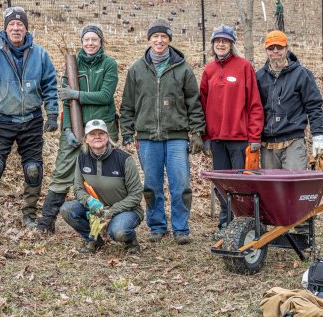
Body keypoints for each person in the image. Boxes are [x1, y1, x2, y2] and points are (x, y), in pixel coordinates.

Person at [0, 6, 59, 235]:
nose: (16, 28)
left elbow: (50, 85)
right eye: (11, 24)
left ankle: (29, 215)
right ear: (5, 28)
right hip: (1, 121)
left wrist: (52, 113)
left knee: (33, 169)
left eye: (20, 24)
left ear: (26, 28)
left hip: (31, 120)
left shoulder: (40, 54)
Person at [120, 18, 205, 245]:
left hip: (176, 136)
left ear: (169, 40)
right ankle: (157, 225)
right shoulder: (137, 69)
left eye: (163, 37)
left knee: (181, 184)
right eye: (155, 36)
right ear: (149, 39)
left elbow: (194, 103)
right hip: (147, 138)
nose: (159, 40)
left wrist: (197, 131)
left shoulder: (183, 68)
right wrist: (127, 131)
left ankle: (181, 228)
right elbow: (127, 104)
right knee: (151, 185)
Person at [37, 24, 118, 233]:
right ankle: (46, 222)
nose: (90, 43)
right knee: (62, 172)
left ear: (101, 43)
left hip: (100, 129)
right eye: (86, 40)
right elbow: (65, 99)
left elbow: (105, 96)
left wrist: (78, 95)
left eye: (94, 40)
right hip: (74, 127)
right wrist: (66, 129)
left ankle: (106, 223)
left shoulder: (108, 64)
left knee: (101, 176)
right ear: (82, 42)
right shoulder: (72, 64)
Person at [199, 25, 264, 239]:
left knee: (241, 185)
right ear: (213, 45)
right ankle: (225, 224)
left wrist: (254, 137)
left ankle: (245, 224)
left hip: (239, 139)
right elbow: (201, 105)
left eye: (225, 41)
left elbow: (254, 104)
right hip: (217, 140)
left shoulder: (244, 67)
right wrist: (205, 137)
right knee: (222, 185)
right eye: (217, 41)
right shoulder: (208, 71)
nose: (220, 44)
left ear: (231, 44)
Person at [60, 119, 143, 253]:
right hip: (95, 209)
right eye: (92, 134)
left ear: (107, 137)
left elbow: (136, 195)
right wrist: (90, 202)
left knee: (118, 232)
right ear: (86, 139)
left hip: (125, 209)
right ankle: (94, 239)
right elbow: (78, 189)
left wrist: (111, 211)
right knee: (67, 209)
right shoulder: (81, 158)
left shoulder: (124, 159)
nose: (97, 137)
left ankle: (130, 241)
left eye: (101, 133)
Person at [256, 30, 323, 171]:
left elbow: (313, 106)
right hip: (267, 145)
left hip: (293, 142)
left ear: (286, 48)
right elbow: (253, 109)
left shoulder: (301, 74)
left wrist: (318, 135)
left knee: (294, 187)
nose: (275, 51)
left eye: (279, 47)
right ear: (266, 51)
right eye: (271, 48)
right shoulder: (259, 77)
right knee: (272, 190)